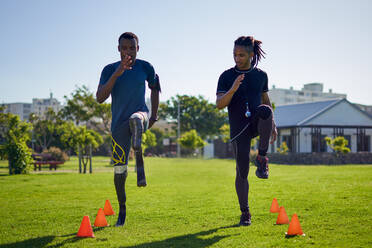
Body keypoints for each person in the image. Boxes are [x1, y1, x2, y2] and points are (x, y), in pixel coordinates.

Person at [96, 32, 161, 227]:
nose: (128, 52)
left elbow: (155, 88)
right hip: (118, 127)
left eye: (132, 48)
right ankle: (122, 210)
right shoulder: (109, 69)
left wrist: (154, 115)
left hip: (140, 115)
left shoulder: (145, 67)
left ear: (138, 48)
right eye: (124, 48)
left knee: (136, 118)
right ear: (118, 49)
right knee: (119, 172)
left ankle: (139, 155)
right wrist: (117, 74)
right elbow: (100, 97)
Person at [216, 36, 277, 226]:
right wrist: (233, 88)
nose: (237, 58)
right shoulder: (226, 76)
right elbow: (219, 104)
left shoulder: (261, 75)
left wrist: (273, 124)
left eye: (241, 54)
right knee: (242, 171)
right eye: (234, 54)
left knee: (266, 111)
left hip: (255, 122)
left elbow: (265, 101)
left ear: (251, 54)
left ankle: (262, 158)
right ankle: (245, 213)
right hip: (238, 127)